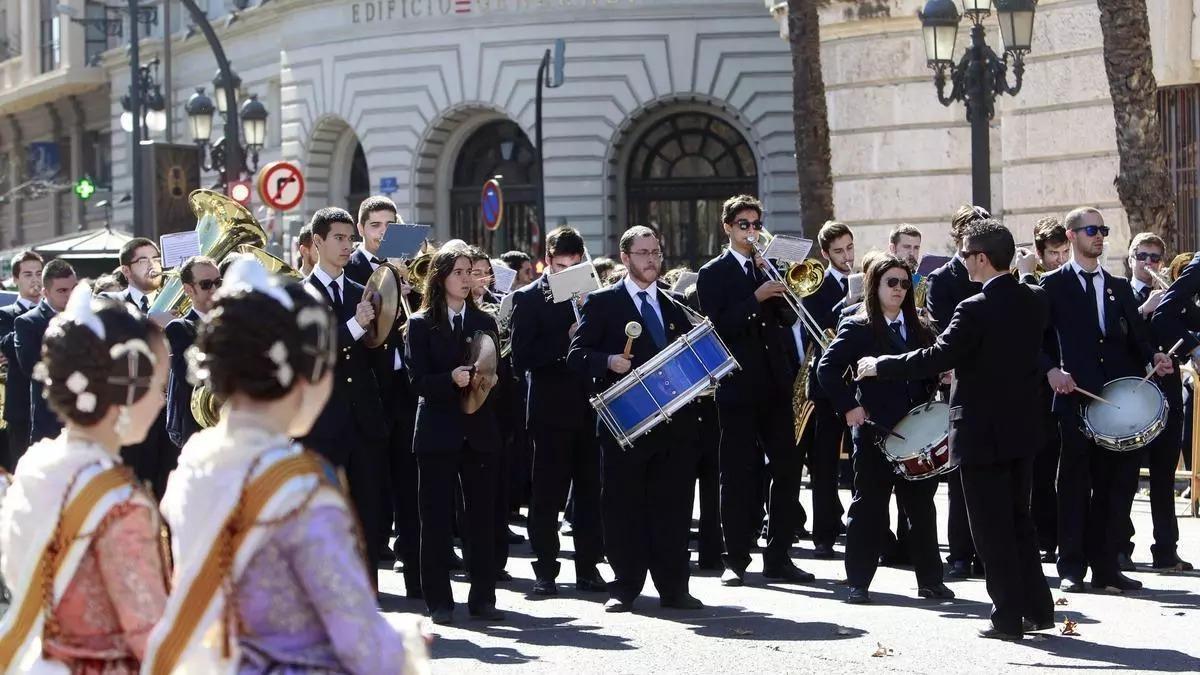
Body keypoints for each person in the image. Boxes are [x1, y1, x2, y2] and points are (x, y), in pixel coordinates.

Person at [140, 259, 417, 673]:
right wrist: (405, 645)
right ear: (301, 374)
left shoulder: (194, 465)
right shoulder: (302, 486)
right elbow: (354, 629)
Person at [856, 219, 1054, 640]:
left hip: (982, 430)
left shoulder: (975, 307)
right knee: (1020, 520)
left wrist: (880, 365)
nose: (961, 260)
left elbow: (936, 355)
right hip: (1022, 428)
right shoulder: (1034, 300)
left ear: (981, 259)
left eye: (965, 253)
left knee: (990, 528)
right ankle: (1038, 608)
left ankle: (1007, 617)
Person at [0, 282, 169, 672]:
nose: (161, 400)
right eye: (158, 384)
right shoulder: (120, 503)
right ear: (125, 387)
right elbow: (152, 634)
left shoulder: (35, 464)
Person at [568, 225, 704, 611]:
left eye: (656, 253)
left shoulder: (675, 304)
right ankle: (625, 586)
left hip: (674, 424)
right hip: (625, 424)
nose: (651, 260)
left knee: (674, 508)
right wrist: (607, 361)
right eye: (643, 253)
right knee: (623, 506)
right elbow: (576, 356)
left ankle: (674, 587)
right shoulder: (603, 303)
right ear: (625, 258)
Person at [1043, 207, 1172, 593]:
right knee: (1073, 485)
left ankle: (1106, 566)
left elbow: (1138, 339)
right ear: (1071, 235)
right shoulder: (1050, 286)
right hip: (1075, 398)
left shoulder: (1116, 285)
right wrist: (1051, 370)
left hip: (1117, 402)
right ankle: (1070, 567)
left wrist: (1155, 358)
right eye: (1091, 230)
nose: (1099, 236)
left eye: (1103, 230)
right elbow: (1035, 342)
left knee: (1114, 487)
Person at [816, 254, 952, 604]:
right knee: (869, 507)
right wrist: (850, 407)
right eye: (892, 282)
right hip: (875, 430)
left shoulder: (922, 326)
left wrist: (944, 376)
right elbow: (827, 369)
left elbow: (932, 366)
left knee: (921, 508)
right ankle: (858, 582)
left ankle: (931, 580)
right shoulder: (859, 327)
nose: (899, 290)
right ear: (874, 286)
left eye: (905, 284)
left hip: (916, 431)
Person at [697, 195, 812, 585]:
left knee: (787, 468)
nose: (751, 231)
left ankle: (779, 555)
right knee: (738, 474)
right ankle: (736, 558)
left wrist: (780, 290)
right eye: (743, 225)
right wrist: (755, 298)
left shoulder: (768, 267)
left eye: (755, 224)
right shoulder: (713, 272)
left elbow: (785, 318)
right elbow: (717, 325)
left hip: (776, 384)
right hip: (737, 385)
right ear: (727, 227)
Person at [405, 248, 504, 624]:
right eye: (459, 272)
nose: (467, 278)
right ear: (440, 277)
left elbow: (499, 374)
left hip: (479, 432)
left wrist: (488, 380)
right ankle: (439, 601)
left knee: (481, 519)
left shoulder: (485, 320)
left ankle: (483, 598)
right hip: (437, 431)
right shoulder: (419, 324)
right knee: (435, 520)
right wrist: (450, 379)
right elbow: (416, 382)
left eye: (471, 272)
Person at [509, 226, 606, 596]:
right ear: (547, 261)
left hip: (588, 404)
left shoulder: (592, 295)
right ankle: (546, 569)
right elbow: (522, 359)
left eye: (575, 264)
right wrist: (566, 344)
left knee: (588, 491)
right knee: (548, 493)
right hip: (550, 408)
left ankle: (588, 567)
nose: (568, 271)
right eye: (561, 264)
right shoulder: (529, 299)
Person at [341, 195, 424, 594]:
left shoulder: (409, 269)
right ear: (361, 229)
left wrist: (413, 293)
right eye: (376, 226)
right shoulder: (352, 269)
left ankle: (417, 575)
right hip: (369, 391)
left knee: (411, 484)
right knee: (371, 490)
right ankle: (369, 578)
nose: (383, 234)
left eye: (391, 226)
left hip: (406, 390)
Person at [303, 207, 389, 588]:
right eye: (338, 238)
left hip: (365, 421)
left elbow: (380, 354)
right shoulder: (299, 295)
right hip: (323, 425)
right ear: (317, 242)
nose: (346, 246)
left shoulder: (361, 292)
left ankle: (368, 594)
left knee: (369, 514)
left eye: (349, 238)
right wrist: (356, 325)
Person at [923, 204, 990, 579]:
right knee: (960, 472)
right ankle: (961, 553)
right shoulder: (943, 279)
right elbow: (942, 330)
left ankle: (987, 550)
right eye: (971, 229)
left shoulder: (994, 273)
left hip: (992, 381)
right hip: (959, 382)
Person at [1126, 233, 1193, 572]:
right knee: (1125, 476)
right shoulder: (1120, 293)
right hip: (1133, 395)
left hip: (1166, 390)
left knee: (1164, 476)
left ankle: (1166, 549)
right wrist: (1144, 309)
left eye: (1154, 258)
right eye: (1142, 256)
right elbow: (1113, 333)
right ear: (1130, 259)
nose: (1148, 263)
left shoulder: (1173, 297)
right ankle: (1121, 547)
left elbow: (1184, 338)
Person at [800, 220, 856, 560]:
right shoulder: (815, 285)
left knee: (864, 464)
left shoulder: (865, 279)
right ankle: (824, 533)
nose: (847, 256)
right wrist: (848, 301)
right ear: (825, 254)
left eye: (850, 248)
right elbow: (819, 329)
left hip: (860, 384)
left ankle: (865, 528)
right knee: (823, 465)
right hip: (826, 385)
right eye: (838, 251)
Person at [1018, 216, 1069, 562]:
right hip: (1038, 388)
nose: (1060, 260)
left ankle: (1060, 534)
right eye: (1054, 253)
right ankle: (1042, 536)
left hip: (1068, 385)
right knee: (1040, 469)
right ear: (1039, 254)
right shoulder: (1032, 286)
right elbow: (1026, 337)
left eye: (1065, 251)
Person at [113, 237, 172, 493]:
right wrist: (151, 321)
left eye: (156, 258)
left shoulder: (176, 298)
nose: (153, 265)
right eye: (143, 260)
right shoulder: (112, 302)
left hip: (169, 409)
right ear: (126, 270)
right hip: (133, 412)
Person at [15, 259, 78, 445]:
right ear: (45, 292)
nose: (70, 295)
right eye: (62, 291)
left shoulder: (89, 317)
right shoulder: (27, 322)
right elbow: (31, 367)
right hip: (50, 419)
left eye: (73, 288)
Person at [164, 256, 221, 451]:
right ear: (188, 290)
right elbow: (189, 376)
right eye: (206, 285)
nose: (214, 289)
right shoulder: (179, 328)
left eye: (218, 282)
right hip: (198, 434)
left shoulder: (235, 324)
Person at [0, 251, 43, 468]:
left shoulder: (57, 312)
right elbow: (7, 346)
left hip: (52, 408)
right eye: (27, 274)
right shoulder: (5, 314)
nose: (35, 279)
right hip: (21, 409)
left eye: (39, 273)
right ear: (16, 279)